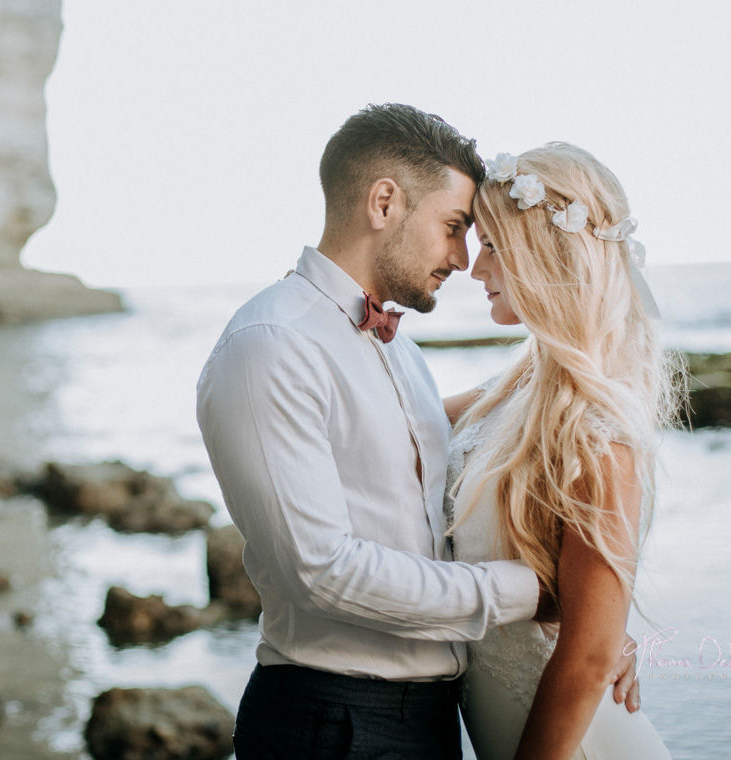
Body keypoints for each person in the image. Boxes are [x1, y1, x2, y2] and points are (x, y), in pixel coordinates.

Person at [196, 105, 637, 759]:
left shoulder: (401, 352)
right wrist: (542, 596)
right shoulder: (272, 346)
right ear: (383, 202)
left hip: (435, 719)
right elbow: (324, 573)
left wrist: (598, 618)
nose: (463, 259)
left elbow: (463, 494)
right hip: (336, 722)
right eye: (456, 227)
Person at [443, 143, 677, 759]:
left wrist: (606, 625)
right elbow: (401, 421)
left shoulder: (597, 433)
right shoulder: (513, 391)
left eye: (491, 245)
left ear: (541, 257)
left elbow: (590, 657)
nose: (474, 268)